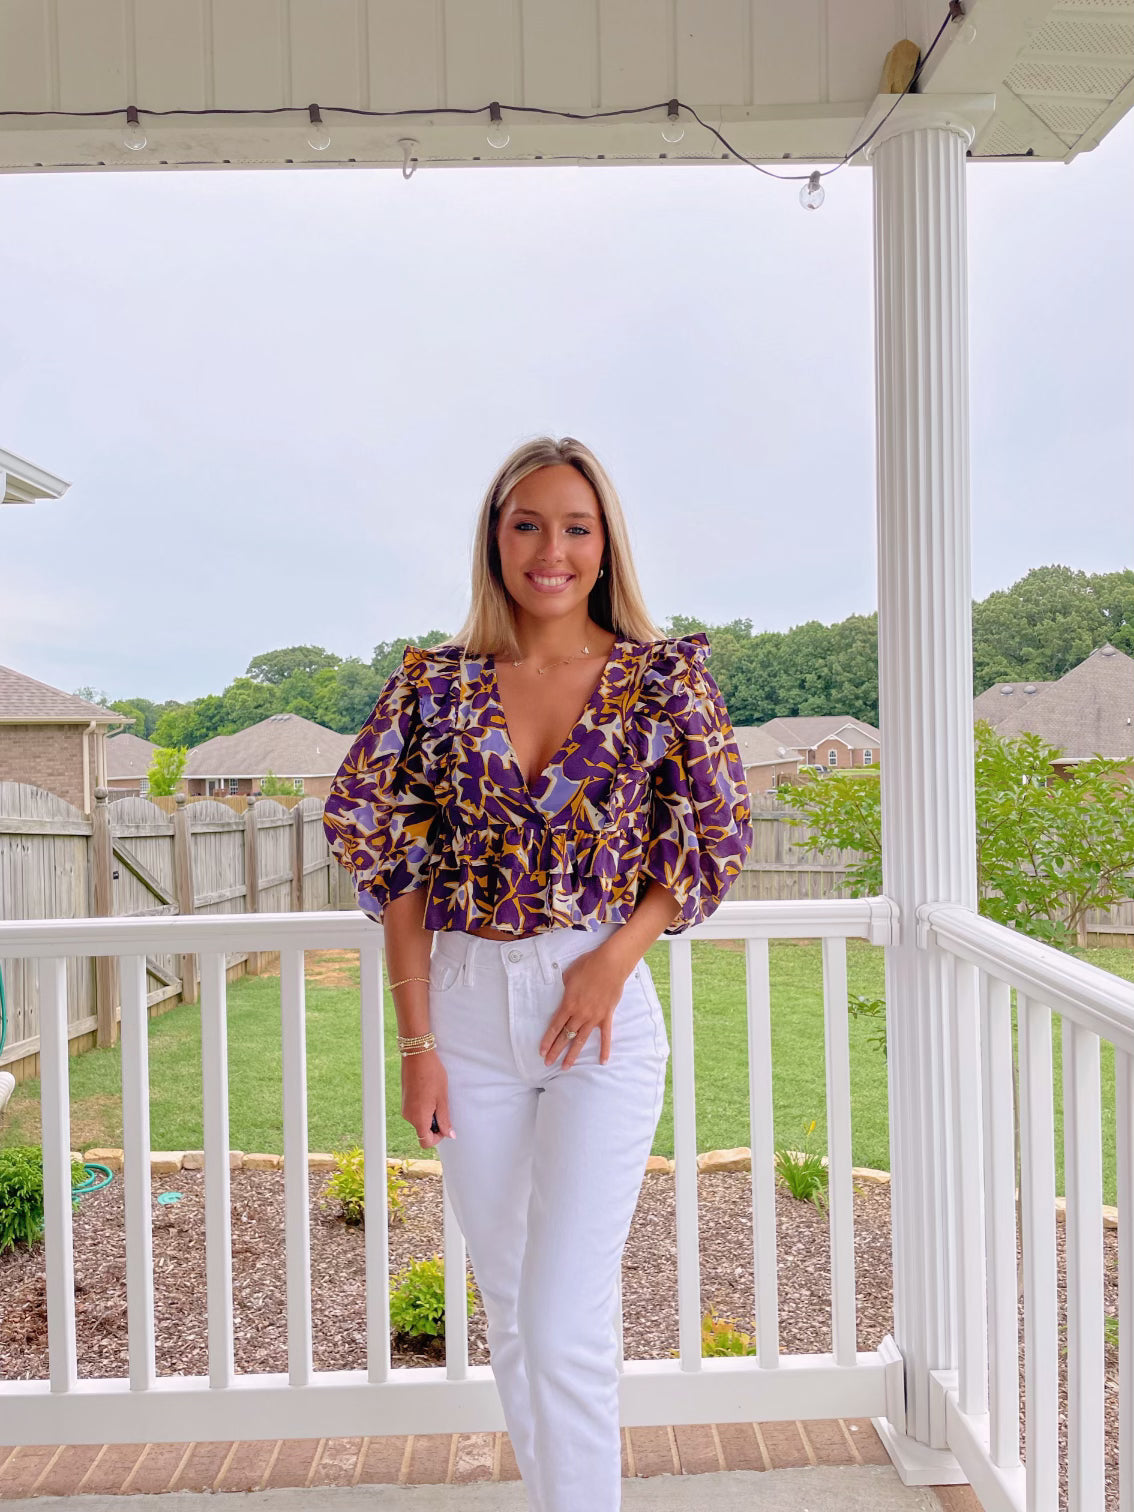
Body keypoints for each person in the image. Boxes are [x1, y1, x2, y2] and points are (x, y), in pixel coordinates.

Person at [323, 436, 753, 1512]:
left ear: (605, 544)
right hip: (464, 1010)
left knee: (562, 1313)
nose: (550, 550)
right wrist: (417, 1048)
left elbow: (710, 840)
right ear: (494, 539)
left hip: (599, 1011)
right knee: (514, 1306)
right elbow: (398, 868)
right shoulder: (433, 687)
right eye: (527, 524)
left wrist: (615, 957)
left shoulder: (663, 682)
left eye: (575, 526)